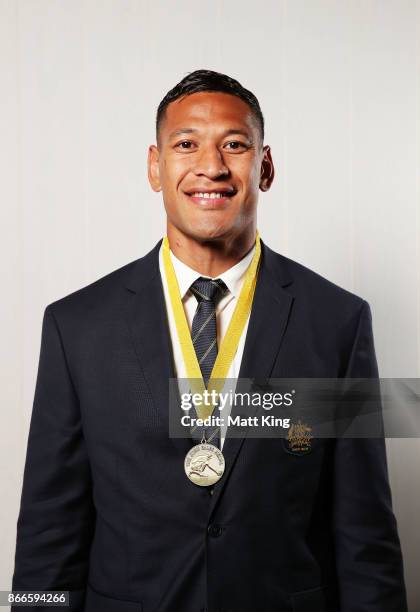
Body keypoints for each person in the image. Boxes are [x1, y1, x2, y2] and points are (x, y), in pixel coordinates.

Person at [12, 69, 407, 612]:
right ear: (156, 166)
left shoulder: (337, 322)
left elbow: (365, 537)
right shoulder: (76, 326)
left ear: (264, 168)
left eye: (235, 145)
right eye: (186, 144)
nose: (212, 166)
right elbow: (47, 533)